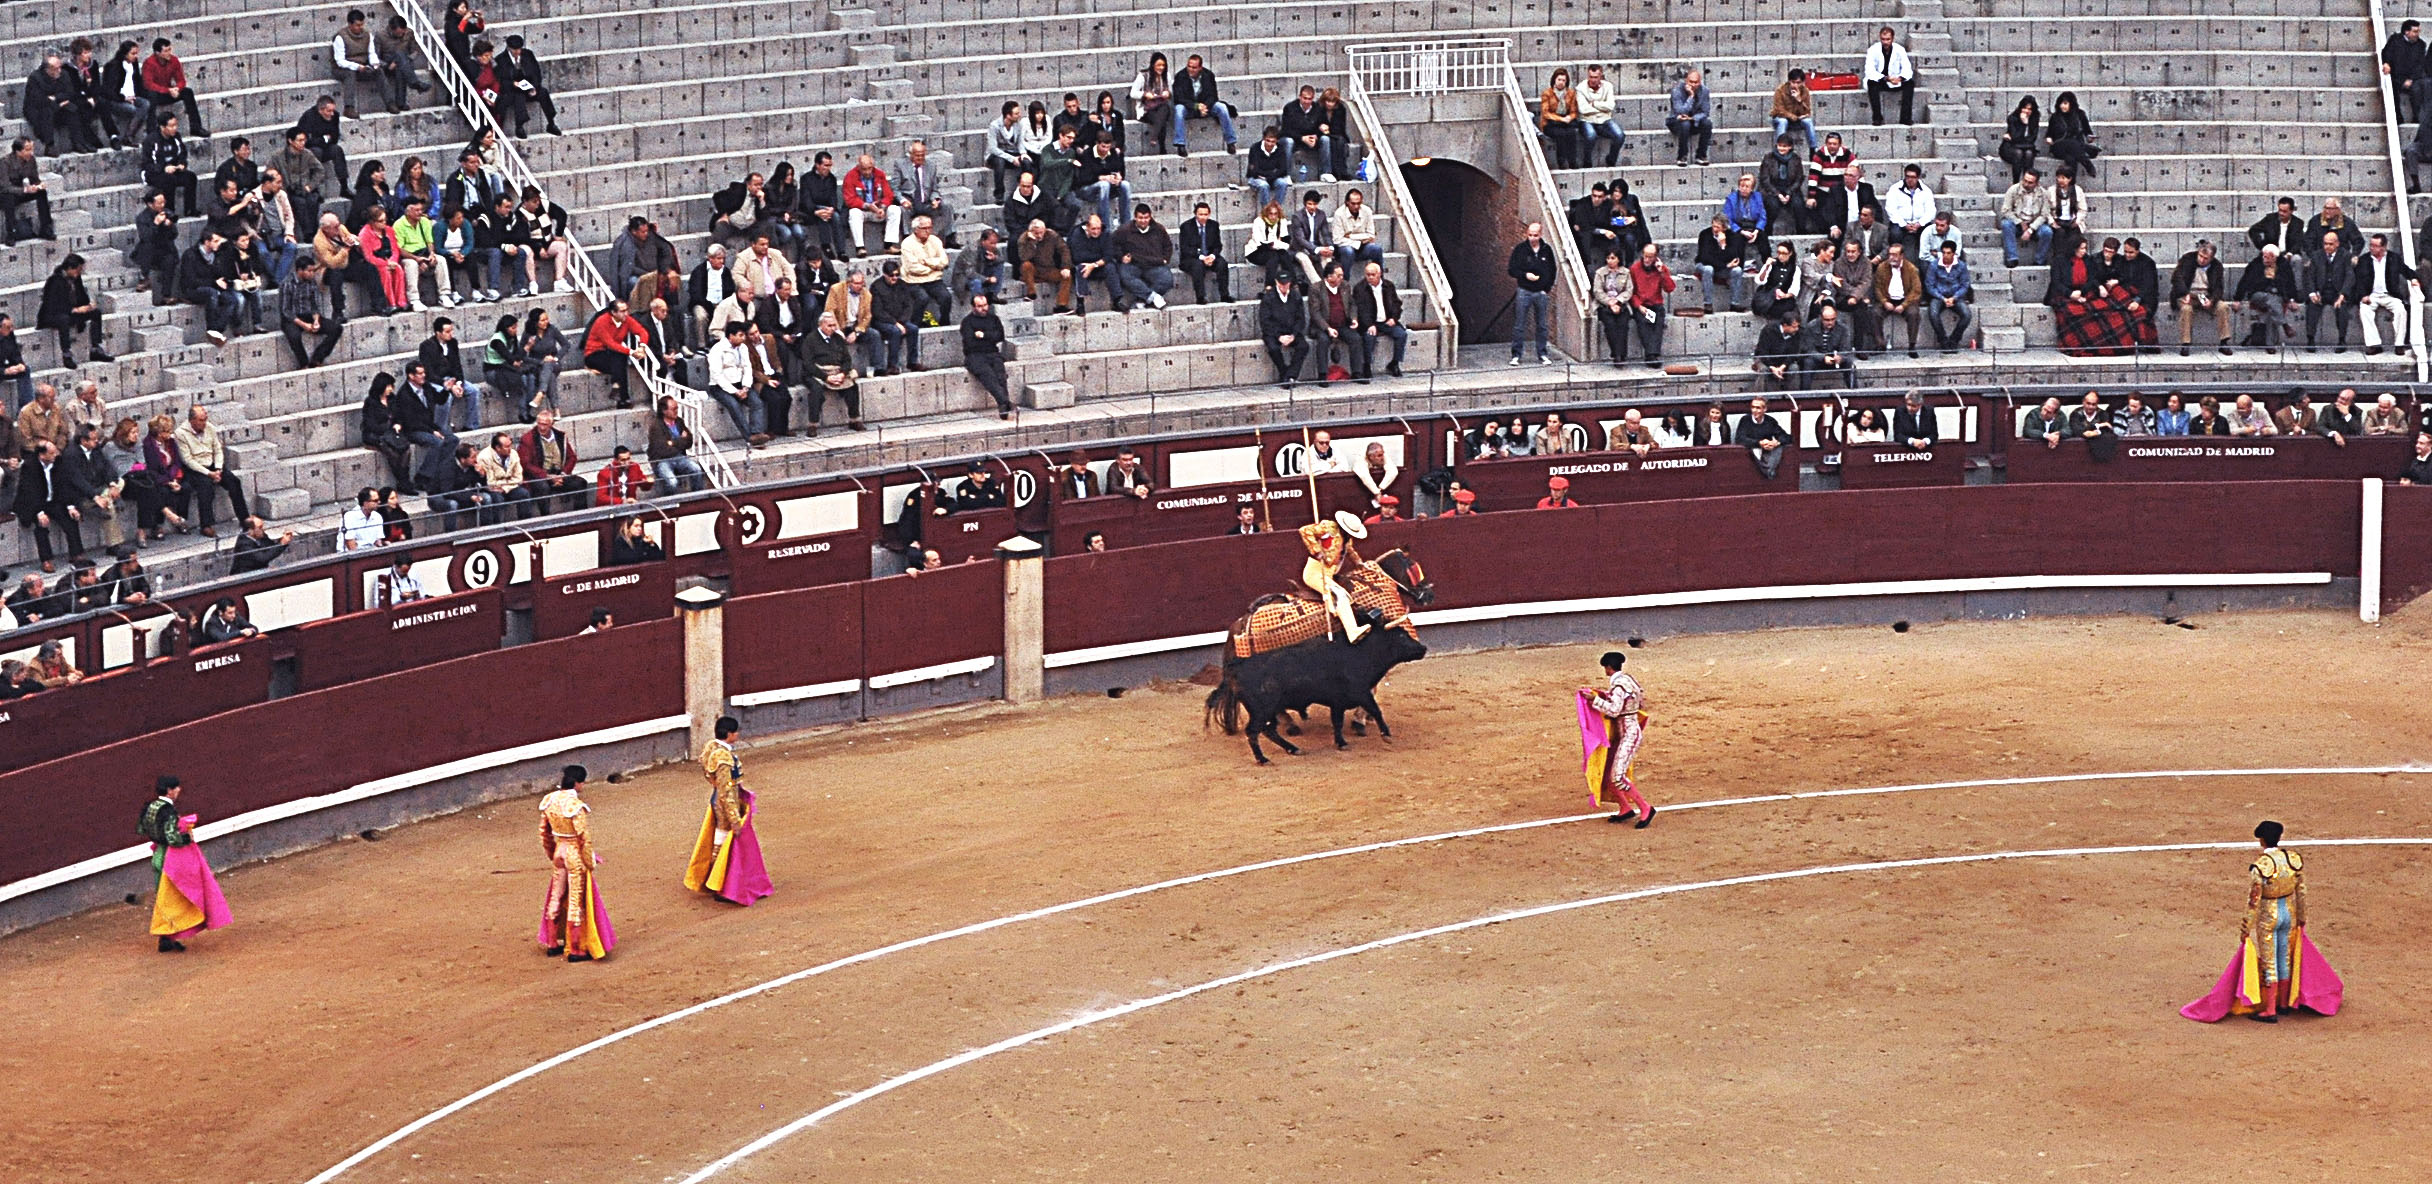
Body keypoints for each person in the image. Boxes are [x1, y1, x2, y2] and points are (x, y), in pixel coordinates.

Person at [686, 717, 774, 907]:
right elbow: (726, 791)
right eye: (736, 732)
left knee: (720, 840)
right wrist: (734, 819)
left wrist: (714, 784)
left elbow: (706, 767)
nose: (738, 735)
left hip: (718, 797)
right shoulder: (723, 758)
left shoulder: (711, 747)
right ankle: (719, 885)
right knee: (723, 840)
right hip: (725, 802)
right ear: (729, 734)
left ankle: (715, 881)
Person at [139, 776, 230, 954]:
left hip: (157, 854)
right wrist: (187, 835)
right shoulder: (169, 812)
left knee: (163, 898)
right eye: (176, 788)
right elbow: (173, 839)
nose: (179, 790)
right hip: (169, 858)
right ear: (169, 790)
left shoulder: (149, 807)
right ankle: (169, 936)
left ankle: (165, 939)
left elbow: (142, 829)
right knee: (174, 898)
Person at [537, 766, 614, 962]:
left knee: (556, 895)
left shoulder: (549, 801)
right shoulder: (575, 806)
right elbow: (583, 839)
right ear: (578, 783)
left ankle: (553, 944)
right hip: (573, 853)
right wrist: (589, 861)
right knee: (574, 901)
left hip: (559, 851)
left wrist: (552, 855)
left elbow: (544, 834)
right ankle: (577, 949)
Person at [1577, 651, 1654, 826]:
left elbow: (1614, 711)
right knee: (1607, 773)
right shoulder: (1629, 681)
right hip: (1625, 732)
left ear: (1608, 668)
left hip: (1628, 734)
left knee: (1618, 776)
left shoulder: (1619, 686)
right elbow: (1638, 702)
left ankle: (1645, 808)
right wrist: (1604, 695)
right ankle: (1625, 808)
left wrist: (1596, 700)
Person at [1297, 510, 1370, 642]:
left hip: (1328, 574)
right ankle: (1352, 632)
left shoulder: (1346, 539)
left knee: (1343, 593)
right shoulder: (1329, 527)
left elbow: (1350, 551)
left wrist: (1360, 563)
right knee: (1340, 594)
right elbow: (1305, 530)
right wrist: (1316, 551)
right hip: (1315, 572)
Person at [2352, 233, 2420, 357]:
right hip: (2371, 294)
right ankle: (2374, 344)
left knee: (2401, 310)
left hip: (2390, 295)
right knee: (2364, 309)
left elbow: (2405, 270)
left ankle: (2399, 344)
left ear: (2383, 247)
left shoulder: (2394, 258)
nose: (2371, 248)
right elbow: (2358, 280)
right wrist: (2362, 295)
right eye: (2371, 245)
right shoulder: (2364, 260)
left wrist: (2413, 278)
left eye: (2375, 246)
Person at [38, 254, 108, 366]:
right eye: (78, 269)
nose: (80, 272)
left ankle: (95, 348)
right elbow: (52, 305)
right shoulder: (54, 281)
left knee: (96, 313)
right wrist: (75, 310)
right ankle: (66, 354)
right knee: (63, 319)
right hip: (52, 315)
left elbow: (82, 296)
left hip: (71, 312)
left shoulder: (76, 278)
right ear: (70, 268)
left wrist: (88, 306)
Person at [2171, 240, 2232, 356]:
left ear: (2211, 258)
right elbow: (2176, 278)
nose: (2201, 260)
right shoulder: (2187, 259)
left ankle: (2224, 342)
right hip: (2187, 294)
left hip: (2206, 295)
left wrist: (2212, 300)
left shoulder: (2217, 266)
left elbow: (2219, 288)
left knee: (2222, 307)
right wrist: (2184, 293)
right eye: (2200, 256)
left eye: (2205, 258)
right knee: (2186, 309)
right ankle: (2185, 343)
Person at [2236, 244, 2302, 352]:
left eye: (2267, 257)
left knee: (2273, 305)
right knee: (2272, 300)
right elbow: (2245, 282)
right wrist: (2238, 299)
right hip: (2258, 294)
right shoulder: (2256, 264)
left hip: (2277, 296)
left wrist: (2292, 300)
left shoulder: (2283, 266)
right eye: (2263, 256)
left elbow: (2290, 283)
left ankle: (2270, 344)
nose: (2264, 259)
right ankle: (2284, 325)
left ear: (2274, 257)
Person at [2301, 230, 2359, 351]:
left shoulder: (2345, 255)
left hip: (2337, 291)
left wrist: (2342, 295)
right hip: (2321, 291)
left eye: (2330, 244)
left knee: (2342, 307)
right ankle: (2310, 339)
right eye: (2325, 243)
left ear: (2337, 244)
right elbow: (2310, 276)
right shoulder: (2316, 255)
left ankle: (2342, 340)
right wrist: (2312, 293)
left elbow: (2349, 276)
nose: (2327, 246)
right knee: (2312, 306)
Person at [1508, 222, 1556, 365]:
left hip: (1540, 292)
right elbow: (1512, 269)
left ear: (1540, 235)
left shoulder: (1547, 250)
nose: (1532, 238)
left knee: (1542, 324)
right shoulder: (1520, 249)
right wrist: (1524, 275)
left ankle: (1542, 354)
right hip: (1524, 290)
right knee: (1519, 324)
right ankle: (1516, 354)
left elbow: (1552, 270)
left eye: (1535, 235)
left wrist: (1546, 288)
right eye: (1530, 235)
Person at [1171, 54, 1237, 155]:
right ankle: (1180, 144)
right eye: (1189, 66)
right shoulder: (1180, 76)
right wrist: (1196, 106)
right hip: (1189, 107)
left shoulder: (1208, 75)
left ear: (1200, 68)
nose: (1191, 69)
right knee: (1179, 109)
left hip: (1206, 107)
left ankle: (1230, 142)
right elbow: (1179, 98)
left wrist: (1204, 106)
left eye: (1194, 67)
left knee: (1221, 107)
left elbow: (1213, 96)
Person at [1352, 260, 1407, 379]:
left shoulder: (1389, 286)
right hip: (1371, 323)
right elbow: (1361, 310)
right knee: (1368, 337)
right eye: (1368, 274)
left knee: (1401, 334)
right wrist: (1369, 325)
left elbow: (1397, 304)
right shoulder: (1360, 288)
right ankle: (1367, 365)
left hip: (1387, 321)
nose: (1370, 277)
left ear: (1379, 274)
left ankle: (1395, 363)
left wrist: (1394, 318)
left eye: (1373, 274)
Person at [961, 293, 1013, 418]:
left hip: (992, 352)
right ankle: (1005, 402)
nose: (984, 308)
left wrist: (983, 335)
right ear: (973, 307)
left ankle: (1003, 405)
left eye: (985, 305)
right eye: (979, 306)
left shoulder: (994, 318)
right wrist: (990, 337)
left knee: (1000, 376)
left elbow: (1000, 336)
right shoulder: (967, 322)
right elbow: (970, 342)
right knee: (988, 376)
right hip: (975, 355)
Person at [1623, 242, 1675, 367]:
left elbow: (1670, 288)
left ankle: (1653, 354)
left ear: (1655, 257)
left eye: (1650, 257)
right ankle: (1651, 355)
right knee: (1643, 323)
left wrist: (1662, 272)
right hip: (1641, 304)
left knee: (1658, 324)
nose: (1646, 259)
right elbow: (1631, 291)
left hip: (1656, 303)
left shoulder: (1661, 269)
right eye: (1645, 256)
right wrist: (1639, 306)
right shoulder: (1635, 269)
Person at [647, 394, 708, 493]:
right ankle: (671, 503)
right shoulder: (656, 427)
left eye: (677, 408)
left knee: (696, 469)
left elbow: (689, 441)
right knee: (672, 482)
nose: (676, 411)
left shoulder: (679, 422)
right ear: (664, 411)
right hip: (662, 461)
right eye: (673, 409)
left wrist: (672, 442)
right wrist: (680, 441)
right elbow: (662, 449)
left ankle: (697, 496)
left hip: (679, 457)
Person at [1258, 272, 1309, 387]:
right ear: (1276, 283)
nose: (1284, 287)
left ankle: (1290, 375)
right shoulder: (1268, 297)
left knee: (1303, 346)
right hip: (1274, 333)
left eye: (1286, 284)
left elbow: (1300, 319)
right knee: (1273, 348)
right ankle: (1284, 372)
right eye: (1281, 284)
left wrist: (1294, 335)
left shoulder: (1296, 296)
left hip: (1291, 331)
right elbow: (1265, 321)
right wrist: (1278, 336)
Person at [1923, 239, 1973, 352]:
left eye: (1948, 253)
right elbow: (1929, 285)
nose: (1945, 255)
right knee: (1933, 313)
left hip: (1955, 296)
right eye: (1944, 252)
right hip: (1939, 296)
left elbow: (1965, 285)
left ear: (1954, 253)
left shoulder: (1961, 266)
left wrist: (1954, 297)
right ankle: (1943, 340)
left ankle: (1954, 339)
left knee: (1967, 314)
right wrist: (1942, 298)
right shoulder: (1934, 265)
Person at [1863, 27, 1916, 125]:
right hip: (1881, 80)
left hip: (1896, 80)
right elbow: (1869, 70)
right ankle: (1877, 118)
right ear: (1880, 38)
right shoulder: (1873, 50)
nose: (1885, 42)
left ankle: (1905, 118)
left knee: (1910, 83)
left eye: (1888, 39)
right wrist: (1886, 78)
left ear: (1892, 39)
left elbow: (1907, 68)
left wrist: (1900, 78)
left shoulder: (1899, 49)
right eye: (1883, 39)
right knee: (1871, 83)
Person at [1736, 395, 1792, 478]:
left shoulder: (1770, 421)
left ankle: (1768, 470)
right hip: (1752, 452)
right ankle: (1768, 471)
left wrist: (1776, 443)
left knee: (1779, 448)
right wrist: (1759, 443)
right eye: (1753, 407)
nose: (1754, 410)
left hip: (1767, 453)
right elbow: (1740, 439)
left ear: (1764, 409)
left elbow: (1786, 437)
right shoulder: (1745, 420)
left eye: (1758, 408)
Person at [2044, 91, 2096, 180]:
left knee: (2071, 159)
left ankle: (2071, 185)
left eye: (2065, 103)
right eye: (2061, 103)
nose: (2062, 106)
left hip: (2075, 148)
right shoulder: (2055, 116)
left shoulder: (2080, 114)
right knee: (2071, 143)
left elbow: (2087, 131)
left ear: (2071, 104)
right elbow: (2049, 134)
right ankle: (2087, 162)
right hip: (2059, 146)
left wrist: (2089, 137)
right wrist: (2048, 139)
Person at [1666, 68, 1712, 166]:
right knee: (1685, 124)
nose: (1693, 85)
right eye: (1691, 82)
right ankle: (1682, 156)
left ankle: (1701, 155)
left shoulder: (1705, 91)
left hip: (1694, 121)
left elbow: (1705, 112)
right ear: (1686, 81)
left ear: (1700, 82)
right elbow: (1681, 111)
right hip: (1676, 121)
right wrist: (1691, 96)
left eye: (1696, 82)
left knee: (1707, 123)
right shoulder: (1677, 90)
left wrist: (1693, 118)